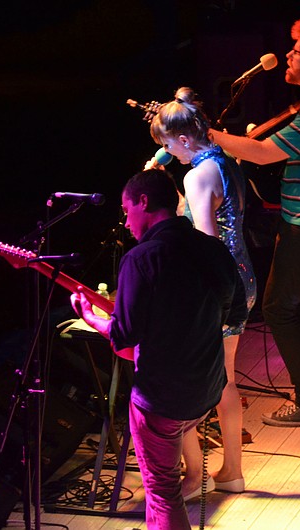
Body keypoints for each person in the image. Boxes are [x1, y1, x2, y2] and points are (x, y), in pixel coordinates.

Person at [209, 13, 300, 427]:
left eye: (297, 51)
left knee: (278, 309)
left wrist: (207, 136)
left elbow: (262, 153)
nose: (289, 56)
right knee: (293, 306)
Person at [70, 168, 238, 529]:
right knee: (163, 494)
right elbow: (234, 311)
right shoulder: (212, 248)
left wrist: (90, 316)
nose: (126, 221)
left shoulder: (140, 258)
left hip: (163, 399)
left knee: (163, 492)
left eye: (126, 210)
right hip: (207, 389)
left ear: (143, 202)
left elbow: (124, 336)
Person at [148, 87, 256, 499]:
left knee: (187, 380)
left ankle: (194, 476)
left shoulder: (196, 174)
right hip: (241, 277)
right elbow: (208, 214)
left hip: (214, 287)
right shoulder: (224, 162)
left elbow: (205, 239)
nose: (168, 153)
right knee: (225, 378)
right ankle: (231, 472)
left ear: (184, 139)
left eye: (168, 145)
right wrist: (172, 195)